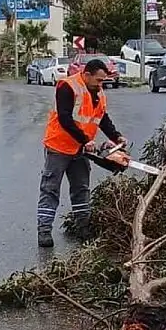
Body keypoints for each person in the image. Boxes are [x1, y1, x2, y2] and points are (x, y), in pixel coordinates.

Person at [37, 58, 127, 247]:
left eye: (103, 80)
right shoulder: (68, 87)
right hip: (59, 147)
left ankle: (83, 228)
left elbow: (102, 118)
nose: (101, 84)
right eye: (99, 80)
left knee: (81, 189)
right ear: (87, 75)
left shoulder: (98, 92)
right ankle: (44, 231)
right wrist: (86, 140)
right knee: (50, 189)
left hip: (80, 149)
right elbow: (64, 118)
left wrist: (116, 137)